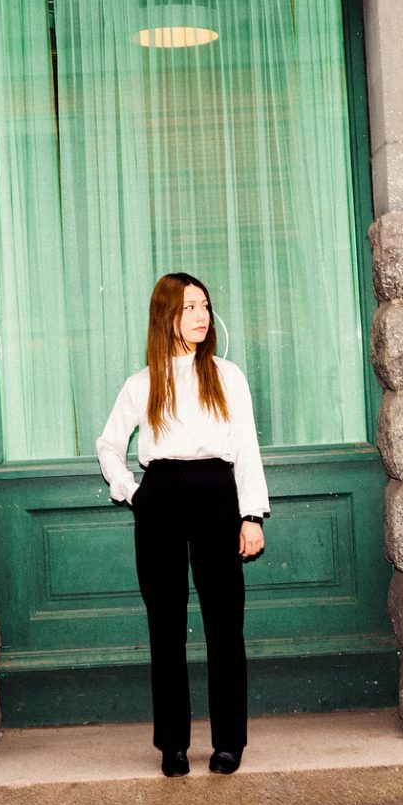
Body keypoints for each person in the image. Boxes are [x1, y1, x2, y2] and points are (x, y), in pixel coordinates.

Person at [96, 272, 269, 778]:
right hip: (162, 497)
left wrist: (251, 515)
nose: (201, 316)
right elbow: (109, 445)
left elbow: (247, 448)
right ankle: (172, 745)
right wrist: (132, 492)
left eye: (205, 306)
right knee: (165, 624)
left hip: (217, 494)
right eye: (190, 306)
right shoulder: (142, 382)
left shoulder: (227, 376)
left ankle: (228, 742)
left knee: (224, 623)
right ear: (166, 315)